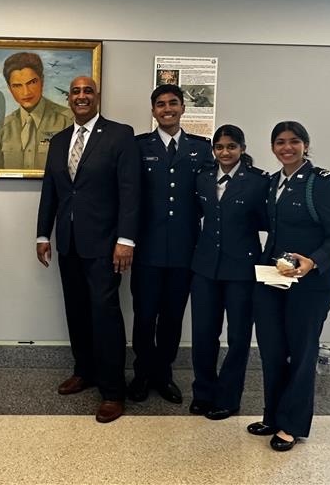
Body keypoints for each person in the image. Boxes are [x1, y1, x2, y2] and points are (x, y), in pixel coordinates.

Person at [36, 75, 140, 423]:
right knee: (77, 310)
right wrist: (42, 234)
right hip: (68, 242)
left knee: (106, 314)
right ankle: (85, 371)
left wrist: (126, 240)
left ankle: (112, 390)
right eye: (76, 92)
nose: (81, 97)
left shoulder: (120, 135)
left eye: (88, 91)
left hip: (106, 245)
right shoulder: (60, 140)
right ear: (69, 99)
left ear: (97, 97)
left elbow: (130, 191)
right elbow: (51, 190)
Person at [248, 121, 330, 451]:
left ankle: (291, 425)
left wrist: (313, 261)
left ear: (306, 145)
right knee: (272, 350)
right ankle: (273, 416)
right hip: (272, 279)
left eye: (294, 142)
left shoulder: (321, 183)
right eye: (280, 142)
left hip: (310, 286)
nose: (287, 148)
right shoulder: (272, 183)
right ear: (272, 147)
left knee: (302, 352)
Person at [128, 84, 213, 404]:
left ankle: (163, 374)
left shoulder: (201, 148)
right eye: (161, 104)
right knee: (145, 315)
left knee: (173, 317)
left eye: (173, 103)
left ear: (182, 108)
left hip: (184, 250)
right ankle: (141, 373)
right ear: (153, 110)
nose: (167, 109)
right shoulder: (138, 146)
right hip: (147, 250)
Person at [189, 125, 269, 420]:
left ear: (242, 149)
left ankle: (228, 397)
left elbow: (268, 223)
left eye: (231, 147)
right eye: (220, 147)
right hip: (205, 267)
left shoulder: (259, 182)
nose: (225, 152)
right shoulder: (203, 178)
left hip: (241, 270)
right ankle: (203, 393)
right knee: (203, 334)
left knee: (238, 337)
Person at [0, 52, 72, 170]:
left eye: (32, 82)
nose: (26, 92)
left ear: (42, 81)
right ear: (9, 88)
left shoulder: (68, 121)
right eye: (17, 85)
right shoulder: (2, 128)